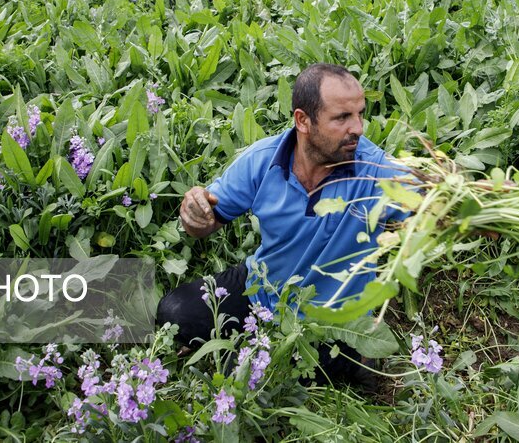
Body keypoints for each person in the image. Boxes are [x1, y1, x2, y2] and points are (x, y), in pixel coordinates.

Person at [156, 63, 405, 384]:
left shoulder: (376, 171)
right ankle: (263, 339)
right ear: (303, 120)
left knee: (253, 376)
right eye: (342, 117)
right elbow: (207, 222)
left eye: (360, 114)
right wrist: (194, 215)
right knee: (174, 312)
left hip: (331, 320)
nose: (357, 127)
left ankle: (358, 358)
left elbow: (430, 211)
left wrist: (452, 203)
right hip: (265, 288)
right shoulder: (263, 160)